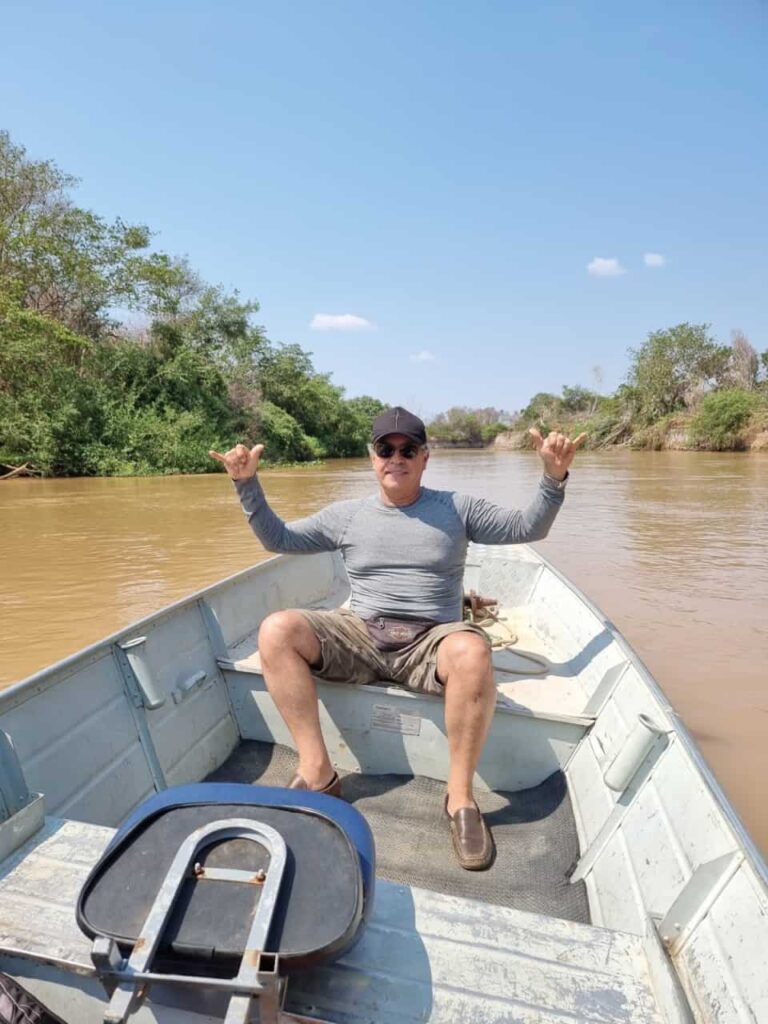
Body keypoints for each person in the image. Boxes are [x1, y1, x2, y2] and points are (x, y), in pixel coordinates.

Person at [210, 407, 585, 870]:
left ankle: (461, 799)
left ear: (425, 458)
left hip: (433, 640)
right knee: (277, 629)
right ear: (373, 458)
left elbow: (528, 527)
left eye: (408, 450)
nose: (396, 457)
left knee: (472, 650)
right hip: (362, 632)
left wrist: (553, 477)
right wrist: (246, 484)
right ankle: (318, 773)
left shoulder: (457, 509)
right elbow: (278, 537)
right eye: (385, 449)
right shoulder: (347, 516)